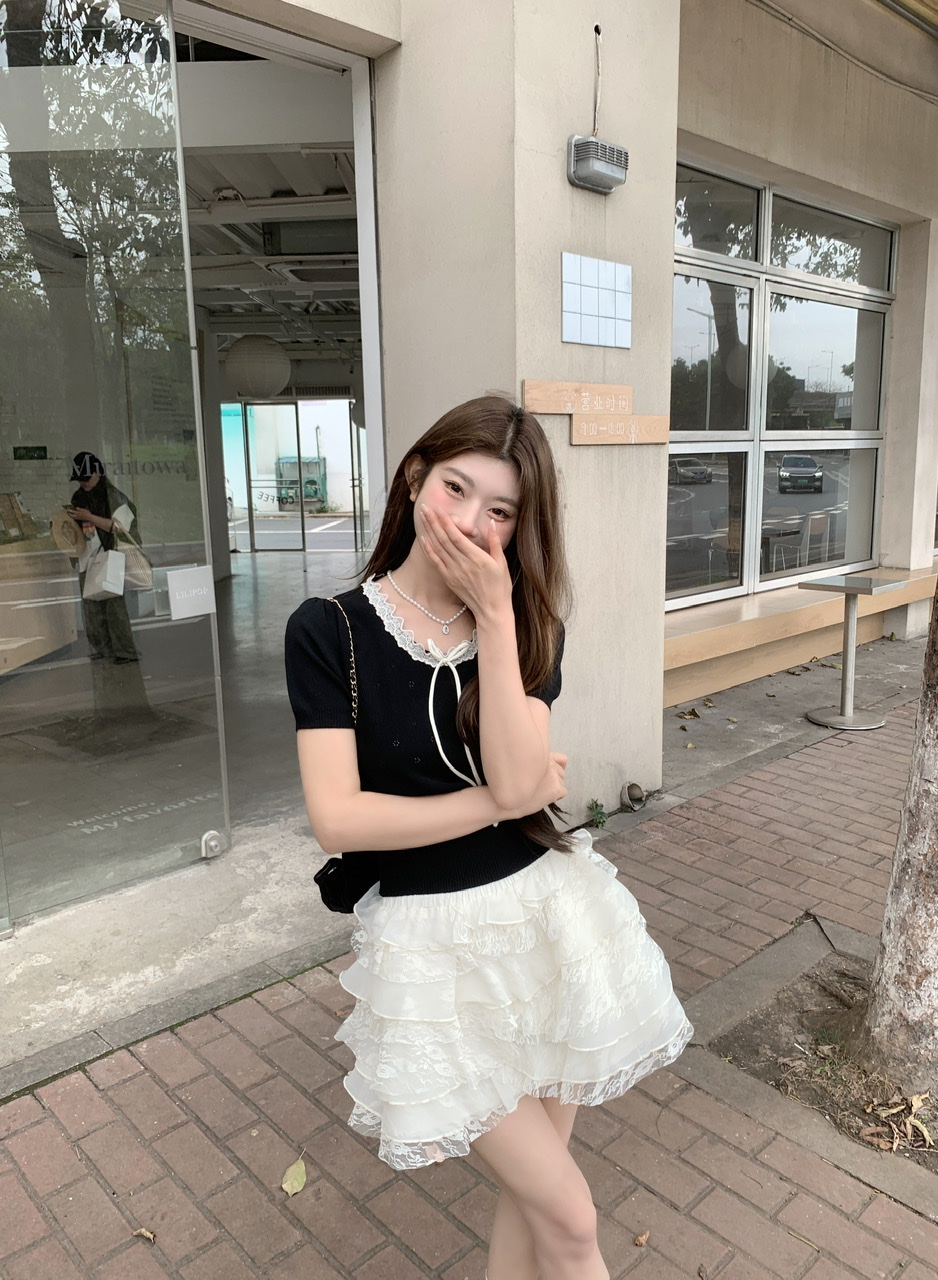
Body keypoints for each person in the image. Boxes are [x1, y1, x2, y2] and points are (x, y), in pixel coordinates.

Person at [285, 396, 692, 1280]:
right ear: (414, 478)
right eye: (456, 489)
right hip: (434, 948)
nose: (471, 524)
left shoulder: (529, 625)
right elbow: (340, 818)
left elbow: (518, 779)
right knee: (572, 1219)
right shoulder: (330, 631)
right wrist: (491, 805)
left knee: (535, 1205)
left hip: (547, 919)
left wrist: (498, 618)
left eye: (500, 510)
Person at [67, 451, 139, 664]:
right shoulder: (78, 497)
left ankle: (125, 651)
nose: (84, 483)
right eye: (80, 479)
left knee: (114, 608)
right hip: (86, 556)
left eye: (87, 477)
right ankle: (102, 649)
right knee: (91, 609)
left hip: (111, 555)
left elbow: (120, 528)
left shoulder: (113, 497)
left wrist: (89, 517)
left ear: (98, 473)